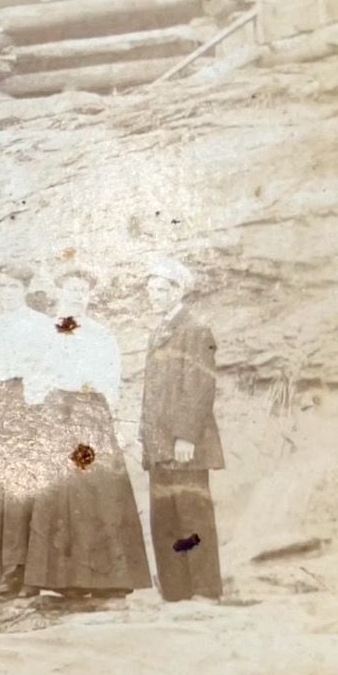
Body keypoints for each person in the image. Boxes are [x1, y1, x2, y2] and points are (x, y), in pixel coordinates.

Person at [21, 268, 153, 598]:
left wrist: (102, 412)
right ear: (59, 293)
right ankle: (66, 580)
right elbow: (33, 375)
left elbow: (112, 379)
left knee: (98, 491)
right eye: (70, 289)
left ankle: (109, 579)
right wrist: (45, 405)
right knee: (63, 492)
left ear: (90, 295)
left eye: (82, 290)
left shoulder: (101, 334)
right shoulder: (47, 332)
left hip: (91, 413)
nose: (76, 295)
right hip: (57, 415)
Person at [0, 262, 58, 599]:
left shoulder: (41, 326)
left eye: (13, 288)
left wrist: (32, 407)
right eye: (2, 288)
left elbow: (48, 371)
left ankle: (18, 570)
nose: (7, 294)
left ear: (25, 290)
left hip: (26, 405)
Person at [140, 257, 225, 602]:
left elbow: (200, 386)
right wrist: (146, 439)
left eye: (162, 289)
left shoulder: (196, 328)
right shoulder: (157, 331)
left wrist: (186, 436)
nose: (154, 296)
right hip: (159, 443)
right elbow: (152, 392)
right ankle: (176, 593)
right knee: (166, 518)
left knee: (192, 515)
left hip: (184, 442)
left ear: (178, 291)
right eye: (151, 290)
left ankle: (204, 590)